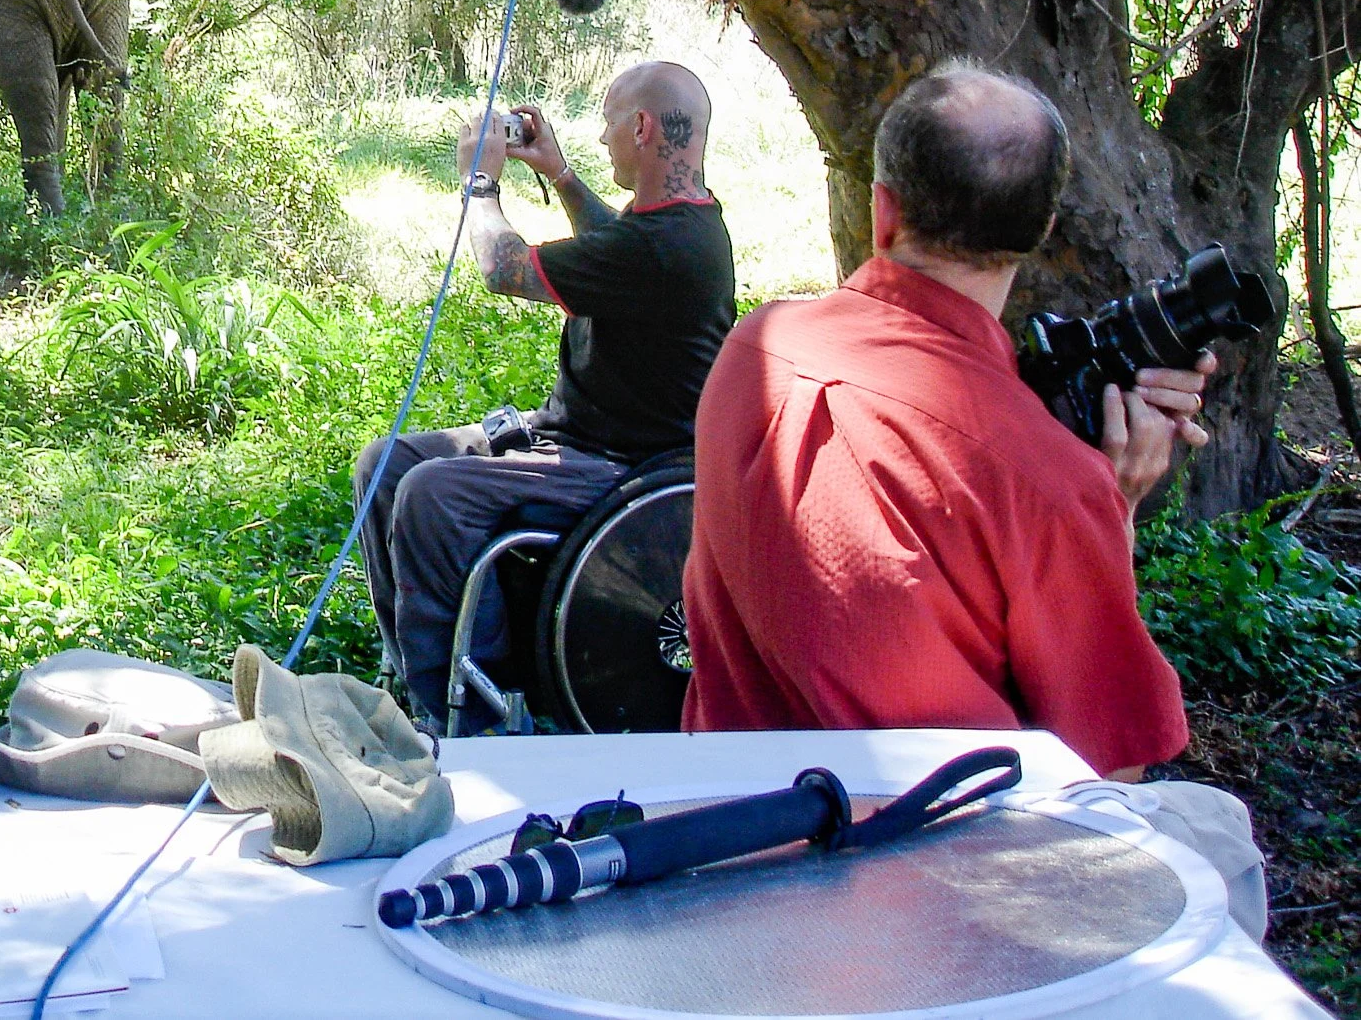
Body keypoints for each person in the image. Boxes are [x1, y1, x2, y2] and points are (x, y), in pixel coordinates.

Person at [681, 62, 1271, 937]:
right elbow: (1107, 777)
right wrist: (1116, 503)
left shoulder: (753, 347)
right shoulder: (1046, 478)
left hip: (724, 823)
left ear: (883, 209)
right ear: (1042, 229)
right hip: (927, 884)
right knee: (1219, 835)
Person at [354, 62, 736, 733]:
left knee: (432, 496)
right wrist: (558, 172)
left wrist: (482, 183)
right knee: (383, 466)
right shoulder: (682, 221)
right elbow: (613, 242)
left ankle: (476, 715)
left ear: (642, 128)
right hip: (580, 436)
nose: (605, 133)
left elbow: (504, 269)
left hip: (626, 465)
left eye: (611, 120)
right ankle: (420, 672)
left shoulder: (667, 246)